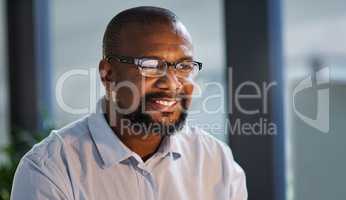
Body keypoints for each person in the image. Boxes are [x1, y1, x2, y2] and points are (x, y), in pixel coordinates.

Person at [11, 6, 247, 200]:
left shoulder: (217, 161)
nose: (172, 84)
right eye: (151, 65)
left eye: (184, 66)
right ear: (108, 74)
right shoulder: (50, 169)